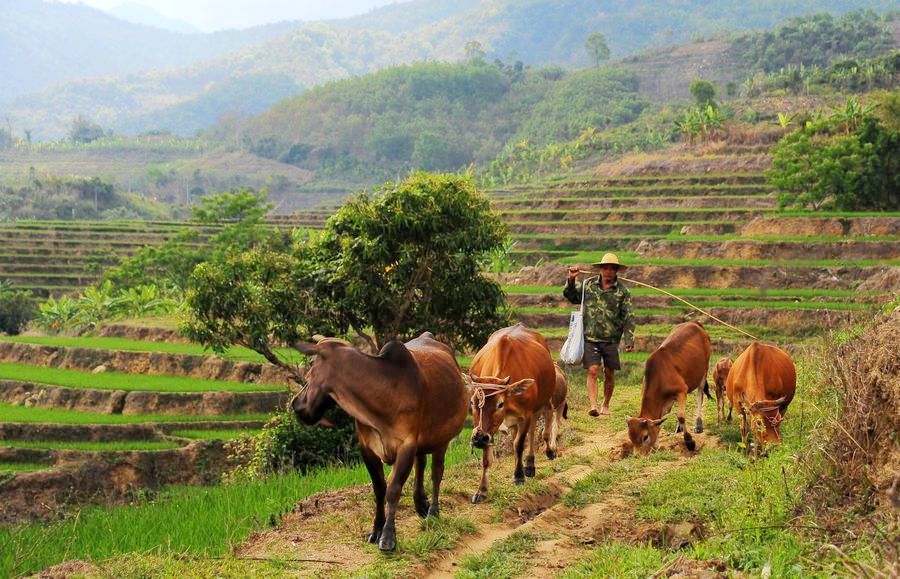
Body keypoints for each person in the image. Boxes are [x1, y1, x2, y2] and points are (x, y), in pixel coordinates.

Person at [563, 252, 635, 417]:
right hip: (590, 337)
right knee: (593, 370)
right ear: (600, 269)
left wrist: (629, 340)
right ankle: (594, 406)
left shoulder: (623, 292)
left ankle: (605, 404)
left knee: (609, 372)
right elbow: (572, 296)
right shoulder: (588, 285)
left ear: (616, 271)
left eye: (612, 268)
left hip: (611, 340)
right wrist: (572, 279)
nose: (608, 271)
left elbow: (628, 317)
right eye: (605, 268)